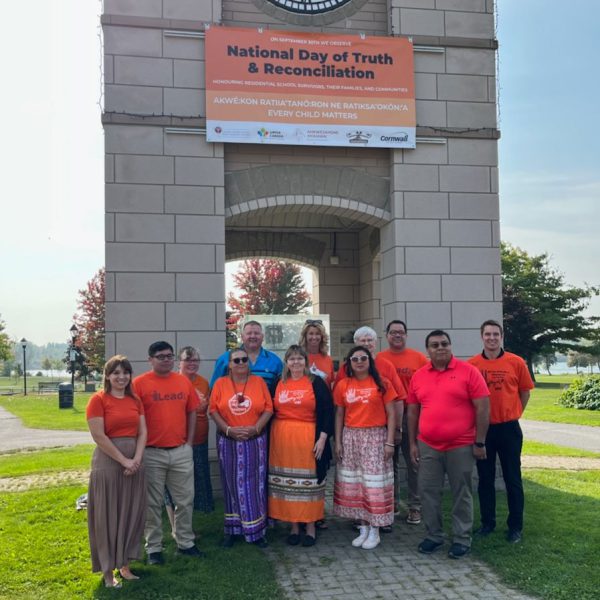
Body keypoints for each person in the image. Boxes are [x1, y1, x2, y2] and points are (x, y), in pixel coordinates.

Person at [407, 330, 490, 559]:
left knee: (461, 492)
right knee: (427, 491)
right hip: (428, 445)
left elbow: (483, 408)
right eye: (435, 345)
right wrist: (413, 443)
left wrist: (479, 442)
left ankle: (462, 538)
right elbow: (412, 411)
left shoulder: (469, 372)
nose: (440, 348)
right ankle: (434, 536)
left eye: (444, 343)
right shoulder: (419, 376)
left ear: (451, 346)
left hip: (461, 445)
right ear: (428, 351)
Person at [133, 341, 202, 565]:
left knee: (185, 500)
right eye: (161, 356)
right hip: (152, 453)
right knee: (152, 504)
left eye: (170, 356)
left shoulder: (182, 381)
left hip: (180, 451)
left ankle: (185, 543)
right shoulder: (139, 384)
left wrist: (189, 443)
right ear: (150, 359)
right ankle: (153, 548)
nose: (166, 360)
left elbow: (192, 411)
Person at [334, 325, 406, 532]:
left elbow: (395, 405)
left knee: (378, 479)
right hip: (352, 435)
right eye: (355, 358)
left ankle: (381, 519)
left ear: (374, 345)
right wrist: (338, 441)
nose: (359, 361)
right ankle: (362, 519)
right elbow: (339, 410)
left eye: (369, 341)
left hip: (377, 434)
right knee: (356, 479)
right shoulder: (344, 379)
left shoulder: (384, 375)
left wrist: (394, 435)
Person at [468, 320, 534, 543]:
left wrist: (514, 412)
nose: (492, 338)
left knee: (512, 478)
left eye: (496, 334)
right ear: (482, 337)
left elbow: (525, 392)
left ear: (502, 336)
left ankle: (515, 526)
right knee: (485, 479)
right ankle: (488, 523)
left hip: (509, 429)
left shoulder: (516, 362)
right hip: (484, 431)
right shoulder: (473, 365)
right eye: (488, 334)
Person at [86, 355, 146, 588]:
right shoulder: (98, 400)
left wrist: (137, 459)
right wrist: (124, 460)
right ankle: (108, 572)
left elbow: (142, 432)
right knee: (107, 517)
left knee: (130, 513)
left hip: (135, 464)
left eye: (126, 372)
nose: (121, 377)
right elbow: (98, 436)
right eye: (116, 373)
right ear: (108, 376)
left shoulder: (135, 400)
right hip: (109, 464)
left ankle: (125, 565)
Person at [268, 345, 334, 547]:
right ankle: (294, 526)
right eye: (291, 359)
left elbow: (327, 411)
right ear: (286, 362)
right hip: (282, 440)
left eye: (299, 358)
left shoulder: (316, 382)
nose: (296, 362)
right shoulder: (278, 382)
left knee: (310, 483)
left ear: (305, 361)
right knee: (288, 484)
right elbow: (268, 408)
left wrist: (322, 438)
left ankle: (311, 526)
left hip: (308, 438)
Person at [209, 347, 273, 548]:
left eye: (244, 359)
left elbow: (269, 409)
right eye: (236, 360)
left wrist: (256, 428)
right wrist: (228, 430)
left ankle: (256, 531)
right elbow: (213, 410)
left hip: (255, 440)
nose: (241, 363)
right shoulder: (220, 384)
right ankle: (233, 530)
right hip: (228, 441)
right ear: (229, 364)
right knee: (230, 484)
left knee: (254, 484)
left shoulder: (259, 382)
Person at [379, 320, 429, 525]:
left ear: (406, 335)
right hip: (387, 418)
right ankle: (392, 504)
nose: (397, 335)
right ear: (387, 335)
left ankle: (415, 507)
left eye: (401, 332)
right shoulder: (379, 359)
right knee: (389, 465)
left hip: (412, 416)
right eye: (393, 332)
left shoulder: (418, 358)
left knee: (413, 463)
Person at [179, 346, 214, 513]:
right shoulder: (175, 381)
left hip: (200, 437)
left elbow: (206, 408)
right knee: (180, 479)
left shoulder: (203, 382)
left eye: (195, 360)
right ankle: (179, 512)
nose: (192, 363)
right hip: (180, 440)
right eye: (188, 360)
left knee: (200, 475)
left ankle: (201, 509)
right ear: (180, 362)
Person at [210, 320, 283, 395]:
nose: (253, 336)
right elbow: (214, 389)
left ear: (262, 337)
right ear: (242, 337)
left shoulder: (275, 361)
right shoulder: (225, 358)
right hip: (231, 404)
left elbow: (282, 390)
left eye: (256, 333)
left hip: (265, 405)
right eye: (249, 333)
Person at [298, 319, 335, 387]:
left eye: (317, 334)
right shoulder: (298, 359)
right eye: (311, 333)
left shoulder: (328, 359)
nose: (314, 337)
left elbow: (331, 384)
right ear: (305, 336)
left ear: (322, 336)